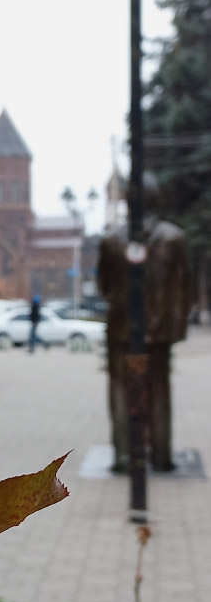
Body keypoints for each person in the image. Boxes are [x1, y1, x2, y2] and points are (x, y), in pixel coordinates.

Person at [97, 181, 190, 473]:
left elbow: (104, 286)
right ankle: (162, 456)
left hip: (122, 330)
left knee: (121, 392)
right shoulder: (175, 238)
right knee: (160, 391)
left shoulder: (111, 240)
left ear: (127, 200)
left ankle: (123, 456)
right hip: (160, 333)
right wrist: (170, 326)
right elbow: (185, 287)